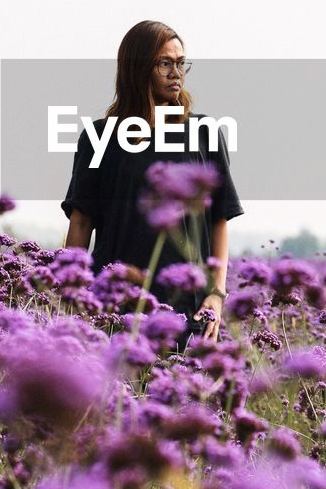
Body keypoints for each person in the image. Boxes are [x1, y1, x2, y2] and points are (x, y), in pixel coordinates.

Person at [61, 20, 244, 343]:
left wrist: (216, 293)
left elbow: (219, 218)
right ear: (138, 68)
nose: (177, 73)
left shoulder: (203, 133)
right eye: (165, 63)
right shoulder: (99, 136)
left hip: (188, 310)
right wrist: (73, 298)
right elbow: (81, 220)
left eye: (181, 63)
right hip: (114, 308)